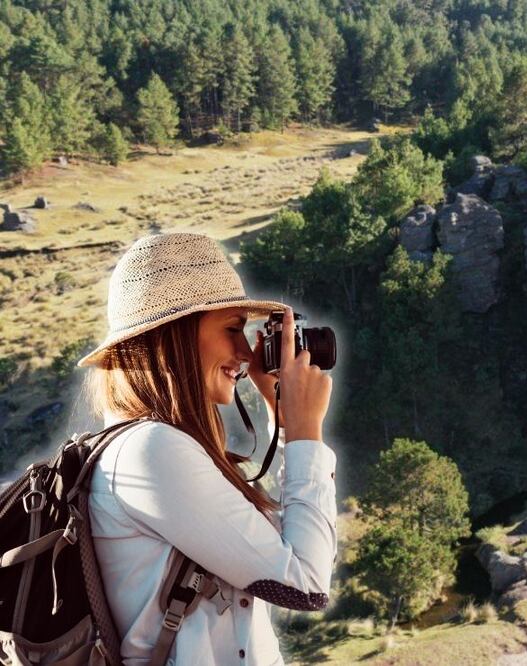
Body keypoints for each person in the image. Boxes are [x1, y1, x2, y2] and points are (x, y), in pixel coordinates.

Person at [78, 232, 336, 665]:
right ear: (174, 337)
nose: (244, 352)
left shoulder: (152, 447)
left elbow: (278, 550)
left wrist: (284, 422)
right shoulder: (151, 451)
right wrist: (307, 433)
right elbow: (306, 583)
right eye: (233, 329)